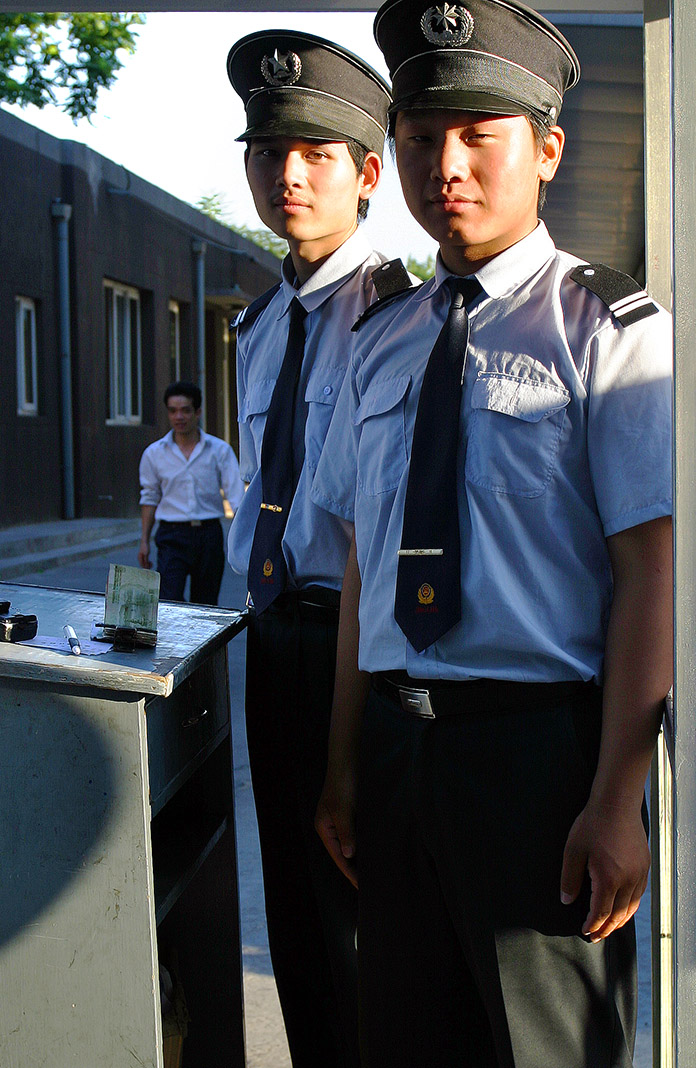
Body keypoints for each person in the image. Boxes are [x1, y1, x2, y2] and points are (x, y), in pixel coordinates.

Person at [313, 2, 673, 1066]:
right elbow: (358, 569)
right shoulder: (378, 341)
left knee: (546, 1051)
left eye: (479, 134)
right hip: (393, 751)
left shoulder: (605, 328)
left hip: (534, 760)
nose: (445, 165)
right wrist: (342, 768)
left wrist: (618, 800)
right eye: (420, 137)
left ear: (547, 150)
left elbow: (645, 574)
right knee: (405, 1040)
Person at [225, 30, 406, 1068]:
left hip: (360, 656)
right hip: (273, 645)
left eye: (316, 155)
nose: (285, 175)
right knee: (293, 921)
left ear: (366, 172)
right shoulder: (258, 326)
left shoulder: (397, 318)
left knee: (363, 925)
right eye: (264, 151)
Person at [138, 381, 242, 605]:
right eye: (173, 411)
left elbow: (236, 497)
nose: (179, 417)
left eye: (185, 410)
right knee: (169, 602)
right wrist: (144, 540)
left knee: (205, 605)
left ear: (198, 412)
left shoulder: (219, 450)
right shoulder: (154, 453)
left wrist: (245, 540)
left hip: (208, 535)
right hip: (172, 535)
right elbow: (150, 496)